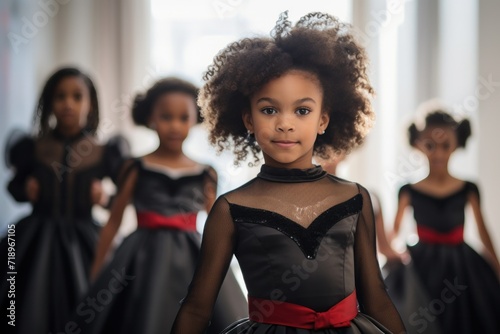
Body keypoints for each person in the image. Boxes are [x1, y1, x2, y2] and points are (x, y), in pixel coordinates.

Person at [171, 12, 406, 334]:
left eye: (302, 110)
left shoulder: (355, 198)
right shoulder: (231, 210)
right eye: (269, 110)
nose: (285, 123)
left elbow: (377, 299)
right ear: (248, 120)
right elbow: (197, 308)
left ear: (323, 120)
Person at [71, 77, 247, 334]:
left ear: (194, 120)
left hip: (192, 255)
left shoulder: (206, 173)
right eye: (166, 117)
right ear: (151, 119)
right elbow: (114, 221)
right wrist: (96, 273)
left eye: (182, 118)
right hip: (140, 256)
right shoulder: (135, 166)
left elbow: (217, 227)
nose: (175, 125)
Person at [0, 67, 130, 334]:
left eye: (76, 96)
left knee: (91, 302)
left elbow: (124, 196)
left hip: (85, 239)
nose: (68, 103)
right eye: (60, 96)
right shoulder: (34, 147)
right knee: (23, 302)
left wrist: (105, 197)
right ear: (49, 103)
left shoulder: (103, 151)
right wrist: (26, 189)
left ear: (90, 103)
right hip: (34, 237)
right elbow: (13, 186)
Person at [385, 103, 500, 333]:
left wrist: (496, 267)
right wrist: (392, 255)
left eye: (445, 145)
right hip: (420, 266)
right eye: (430, 145)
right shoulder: (408, 190)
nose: (437, 152)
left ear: (457, 145)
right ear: (418, 144)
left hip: (463, 267)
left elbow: (482, 230)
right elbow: (393, 233)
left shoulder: (468, 188)